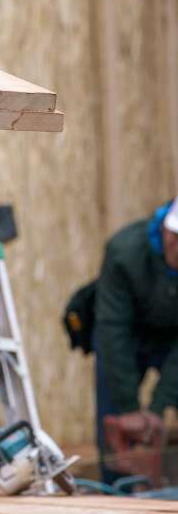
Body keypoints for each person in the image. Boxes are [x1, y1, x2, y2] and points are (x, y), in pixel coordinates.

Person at [93, 197, 178, 483]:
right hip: (127, 334)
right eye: (176, 239)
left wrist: (157, 408)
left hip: (172, 338)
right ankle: (113, 491)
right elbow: (113, 329)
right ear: (167, 231)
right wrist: (130, 409)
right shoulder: (124, 252)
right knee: (112, 412)